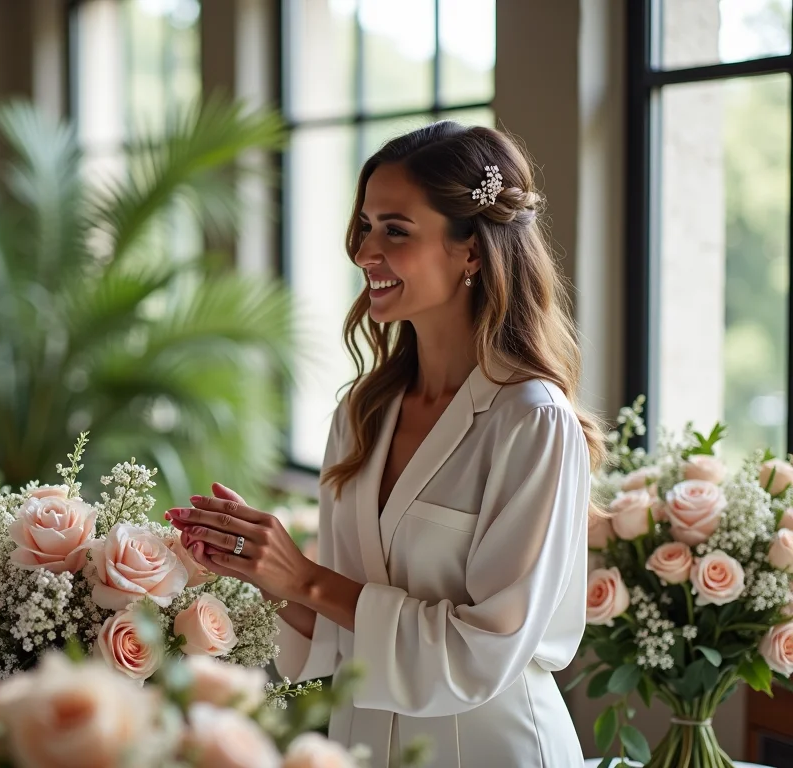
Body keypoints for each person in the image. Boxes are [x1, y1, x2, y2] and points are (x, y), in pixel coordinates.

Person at [167, 121, 602, 766]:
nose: (365, 251)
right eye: (366, 226)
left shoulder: (532, 423)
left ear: (472, 252)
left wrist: (303, 577)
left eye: (395, 231)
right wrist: (265, 572)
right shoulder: (361, 414)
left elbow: (483, 651)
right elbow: (340, 633)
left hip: (489, 748)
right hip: (363, 742)